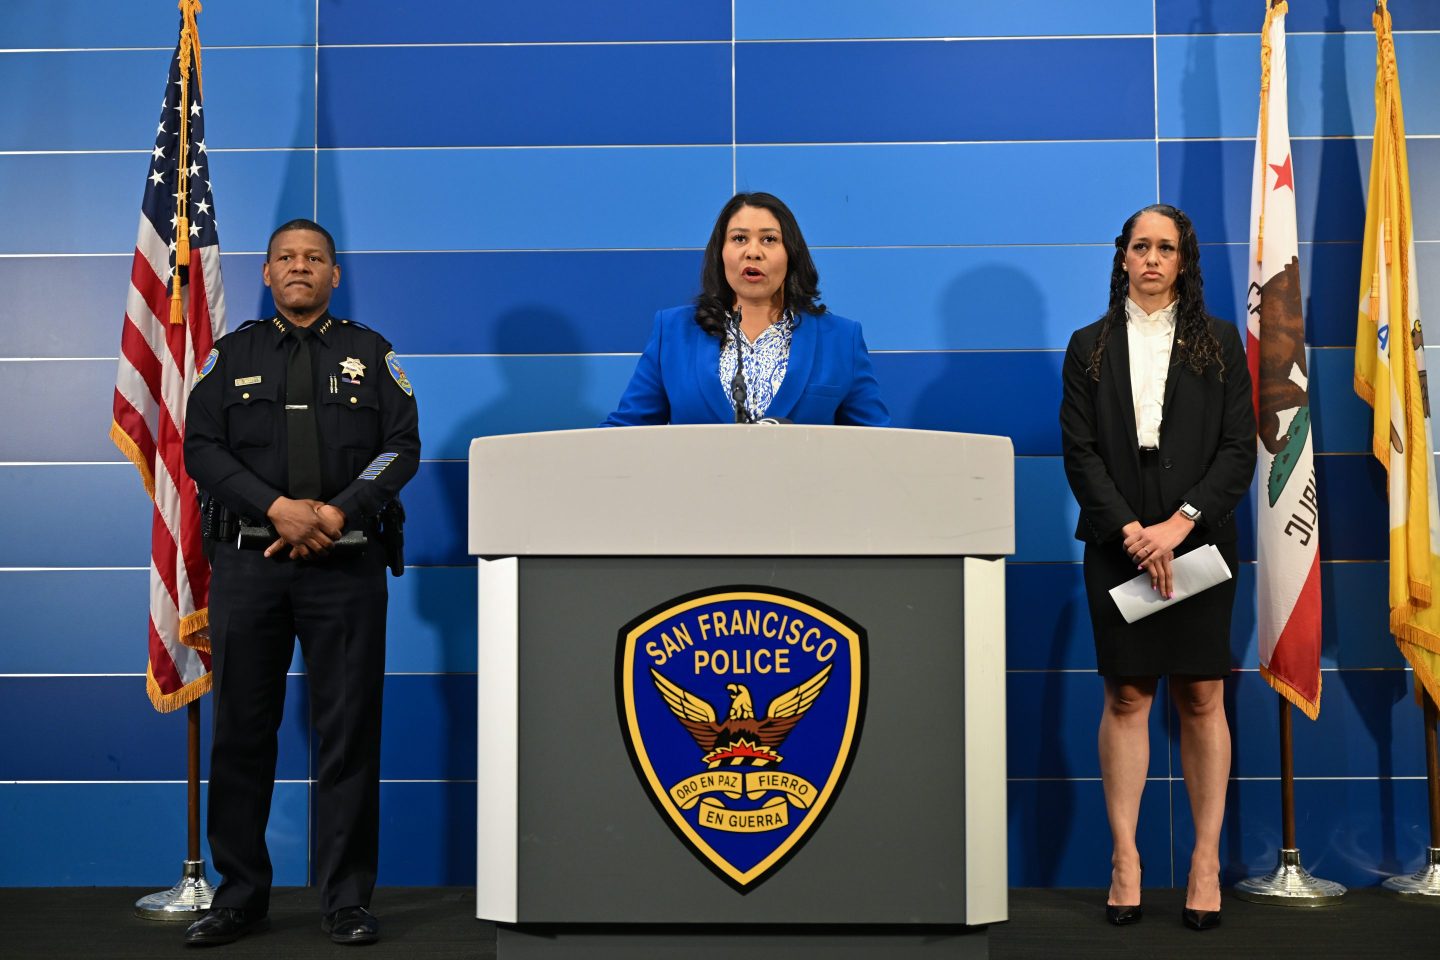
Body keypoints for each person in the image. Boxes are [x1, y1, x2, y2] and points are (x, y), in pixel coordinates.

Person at [182, 219, 419, 947]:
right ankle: (240, 895)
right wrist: (277, 509)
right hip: (250, 569)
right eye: (286, 258)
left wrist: (337, 512)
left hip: (345, 568)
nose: (299, 268)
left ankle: (346, 899)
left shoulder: (370, 354)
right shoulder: (230, 357)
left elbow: (401, 447)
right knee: (244, 735)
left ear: (334, 275)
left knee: (348, 735)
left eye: (314, 258)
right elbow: (201, 448)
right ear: (266, 273)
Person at [1058, 204, 1255, 932]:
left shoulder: (1220, 343)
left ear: (1183, 261)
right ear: (1122, 257)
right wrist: (1135, 533)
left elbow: (1240, 449)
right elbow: (1079, 452)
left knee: (1202, 695)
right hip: (1120, 538)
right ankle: (1126, 860)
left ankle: (1204, 865)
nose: (1150, 259)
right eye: (1139, 246)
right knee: (1129, 697)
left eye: (1164, 248)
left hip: (1199, 536)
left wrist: (1180, 526)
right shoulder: (1089, 347)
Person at [602, 192, 889, 426]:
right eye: (739, 238)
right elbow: (626, 433)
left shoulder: (840, 339)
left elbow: (876, 446)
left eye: (769, 239)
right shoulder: (674, 332)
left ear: (791, 254)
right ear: (721, 253)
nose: (753, 251)